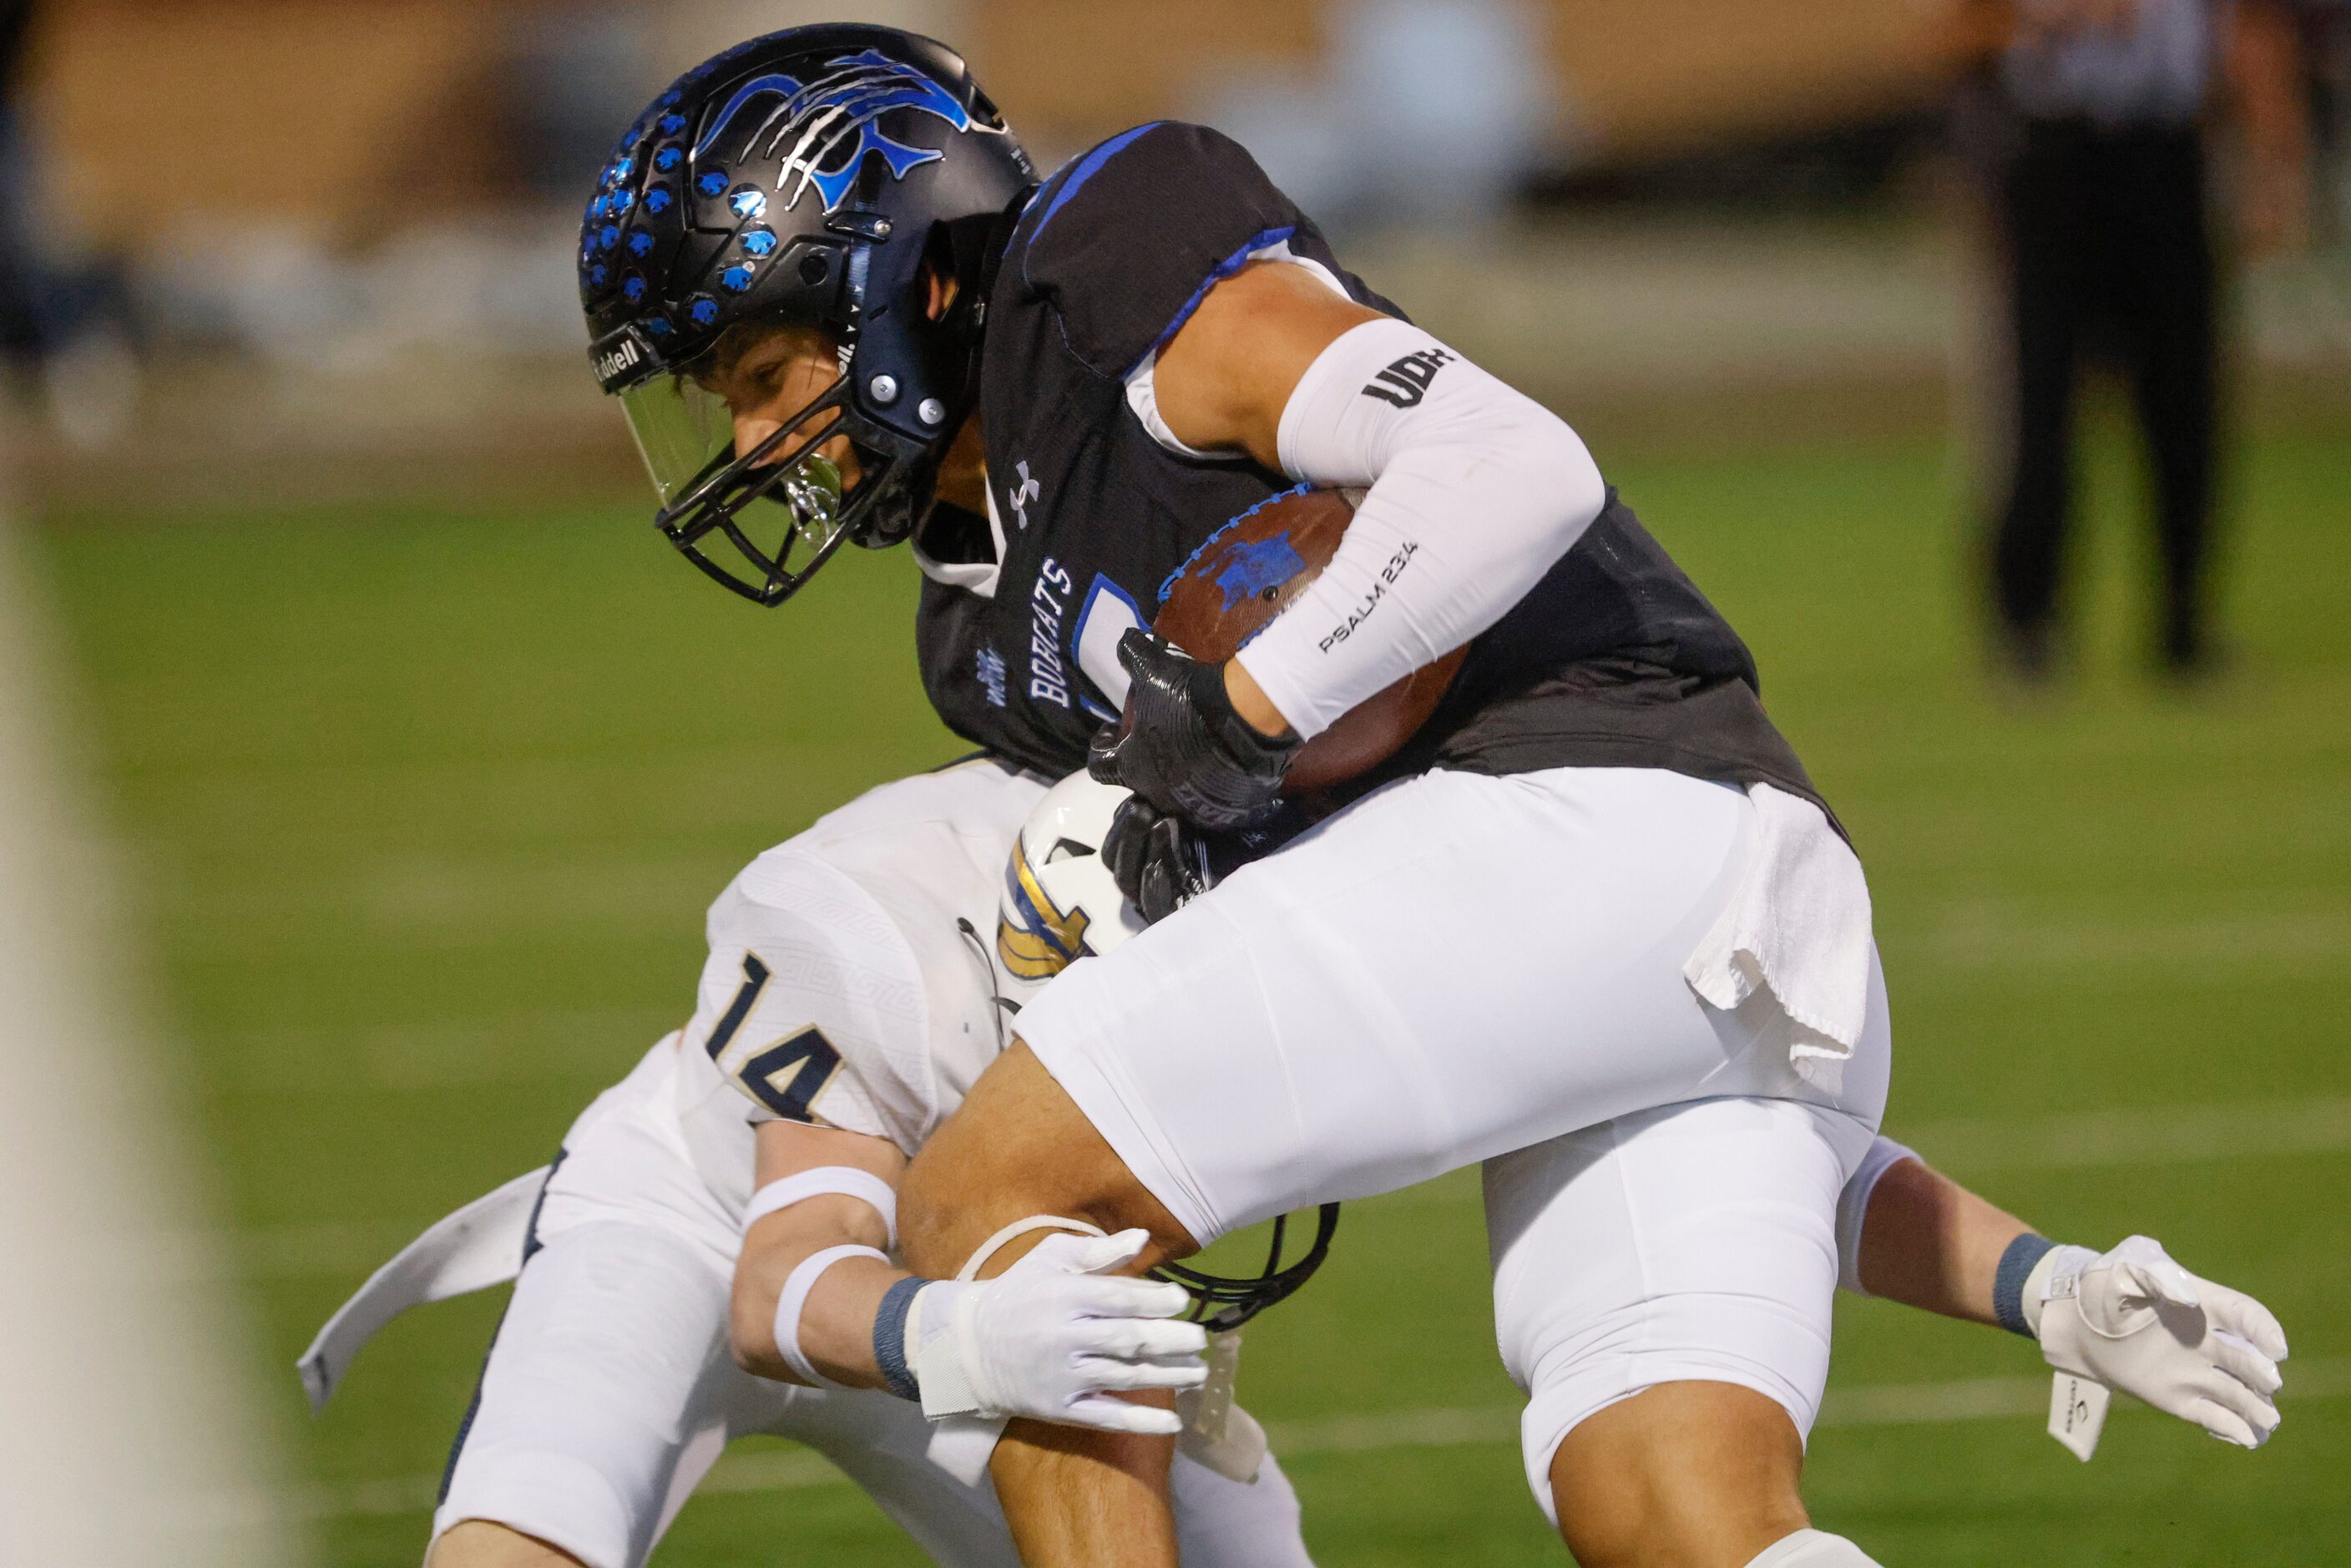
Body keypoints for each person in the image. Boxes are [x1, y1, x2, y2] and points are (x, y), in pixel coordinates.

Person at [574, 28, 2283, 1567]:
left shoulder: (1105, 266)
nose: (752, 446)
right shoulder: (976, 636)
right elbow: (1658, 1014)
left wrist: (1203, 731)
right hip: (1720, 912)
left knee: (990, 1194)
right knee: (1678, 1515)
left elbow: (1508, 469)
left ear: (896, 279)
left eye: (760, 377)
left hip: (1587, 806)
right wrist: (2035, 1279)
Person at [308, 766, 2288, 1568]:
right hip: (715, 1226)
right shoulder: (864, 928)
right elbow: (781, 1277)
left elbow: (1684, 1120)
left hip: (1019, 1308)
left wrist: (2042, 1282)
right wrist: (956, 1336)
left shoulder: (1264, 958)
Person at [1944, 0, 2312, 680]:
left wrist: (2273, 164)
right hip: (2059, 158)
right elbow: (1955, 37)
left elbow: (2251, 32)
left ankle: (2183, 624)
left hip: (2167, 153)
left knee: (2185, 398)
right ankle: (2029, 623)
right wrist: (2057, 18)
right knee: (2040, 398)